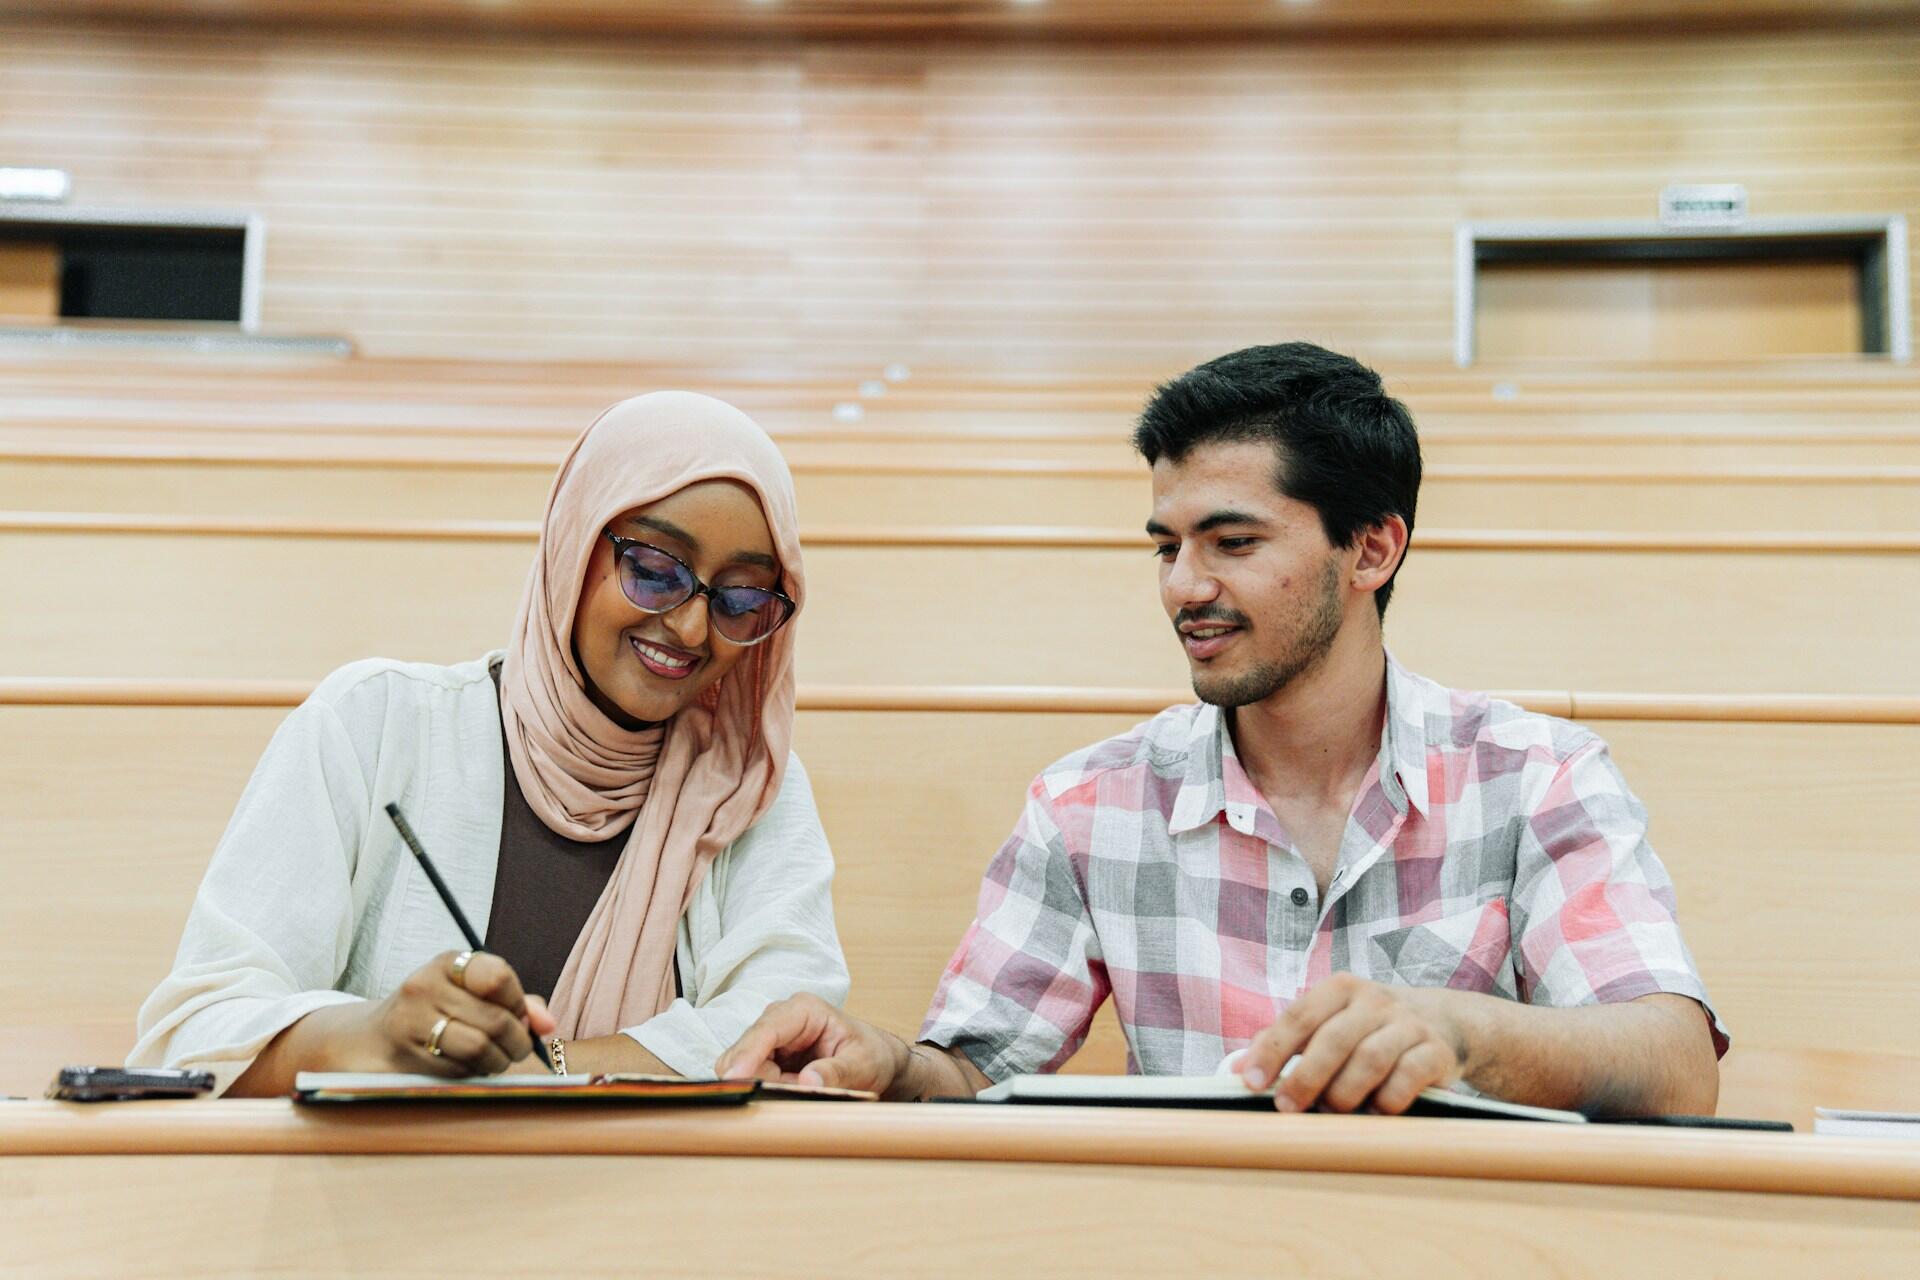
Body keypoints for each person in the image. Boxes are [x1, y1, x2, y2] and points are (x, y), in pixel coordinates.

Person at [718, 343, 1724, 1117]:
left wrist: (1460, 1033)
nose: (1184, 588)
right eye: (1167, 546)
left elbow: (1673, 1060)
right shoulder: (1090, 804)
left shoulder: (1536, 775)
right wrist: (887, 1060)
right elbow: (975, 1070)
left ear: (1372, 547)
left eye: (1233, 542)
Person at [131, 392, 848, 1095]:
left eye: (740, 600)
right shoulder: (376, 724)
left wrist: (538, 1072)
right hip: (369, 1201)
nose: (691, 630)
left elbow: (785, 1038)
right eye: (656, 572)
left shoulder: (749, 788)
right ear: (574, 543)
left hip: (645, 1206)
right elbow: (195, 1031)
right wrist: (370, 1038)